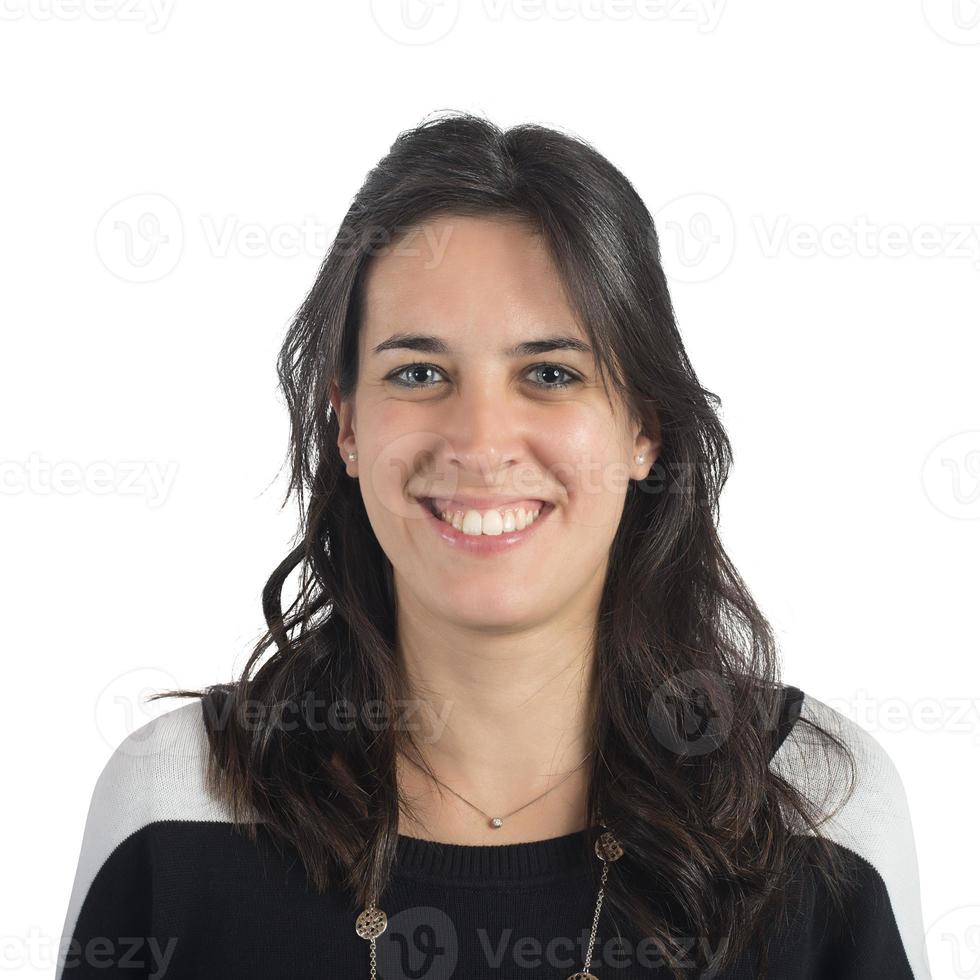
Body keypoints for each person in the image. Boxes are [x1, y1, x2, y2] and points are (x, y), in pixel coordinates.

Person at [55, 111, 931, 979]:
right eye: (419, 373)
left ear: (644, 430)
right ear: (348, 425)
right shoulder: (176, 805)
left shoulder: (818, 806)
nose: (479, 442)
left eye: (550, 374)